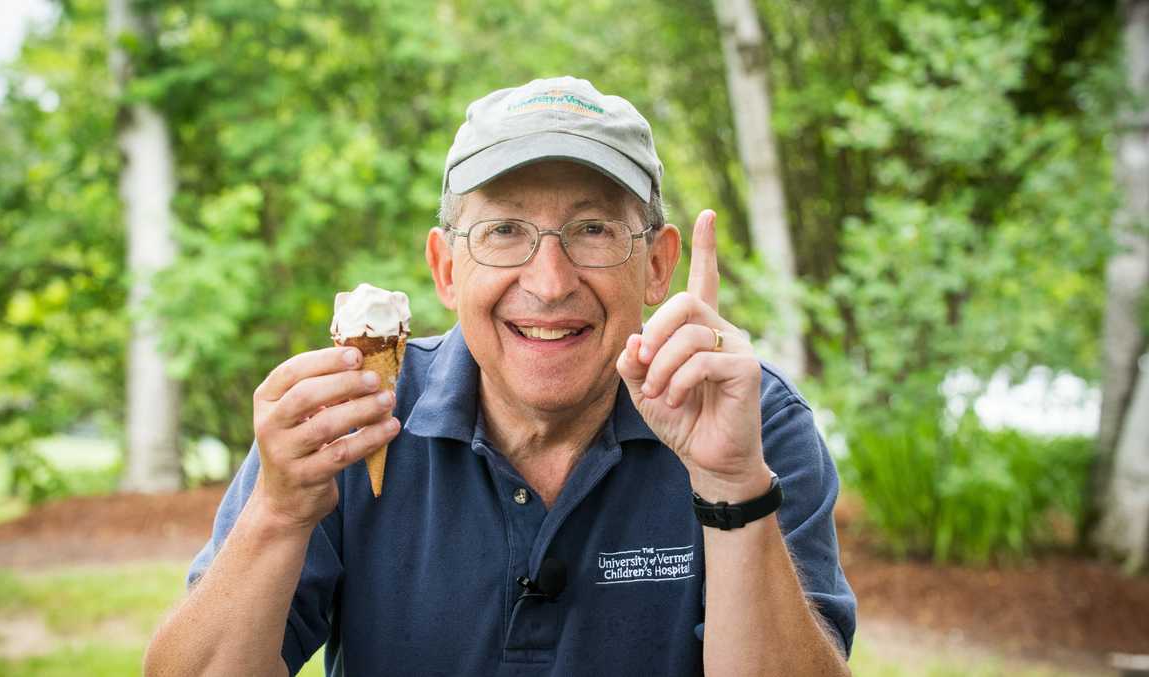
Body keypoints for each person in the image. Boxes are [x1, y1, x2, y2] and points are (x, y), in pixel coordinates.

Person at [144, 75, 855, 676]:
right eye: (505, 231)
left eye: (593, 230)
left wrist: (732, 490)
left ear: (659, 264)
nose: (548, 283)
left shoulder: (749, 419)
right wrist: (276, 512)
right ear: (448, 268)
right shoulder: (351, 420)